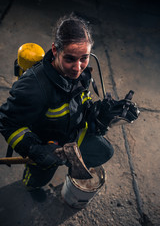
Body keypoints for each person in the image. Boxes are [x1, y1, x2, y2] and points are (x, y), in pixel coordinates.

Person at [0, 14, 139, 191]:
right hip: (46, 147)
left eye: (84, 58)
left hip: (72, 137)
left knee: (104, 151)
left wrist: (100, 115)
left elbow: (82, 102)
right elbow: (7, 123)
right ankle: (32, 186)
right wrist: (34, 149)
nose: (77, 67)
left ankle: (72, 166)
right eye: (70, 58)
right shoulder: (34, 87)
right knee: (39, 178)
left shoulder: (82, 74)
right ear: (55, 50)